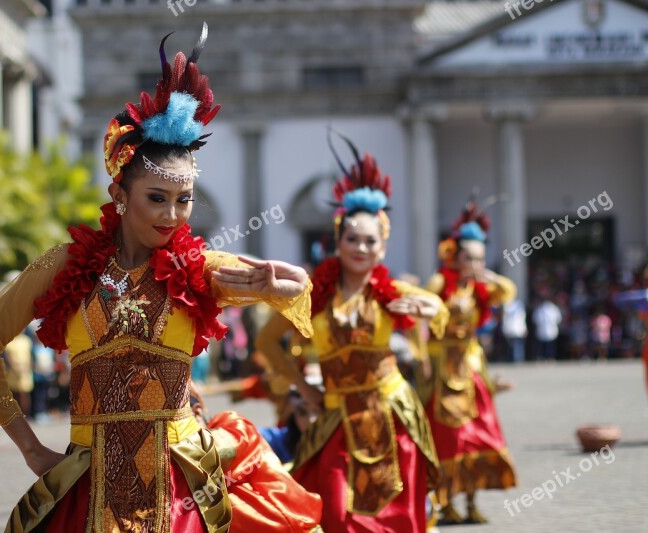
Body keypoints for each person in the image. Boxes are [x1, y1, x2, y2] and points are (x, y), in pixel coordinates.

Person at [0, 25, 314, 532]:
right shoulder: (62, 265)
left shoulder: (197, 268)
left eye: (184, 199)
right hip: (86, 485)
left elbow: (294, 282)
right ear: (119, 193)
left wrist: (278, 284)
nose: (172, 215)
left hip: (182, 490)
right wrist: (33, 450)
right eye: (157, 198)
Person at [257, 131, 448, 532]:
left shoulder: (391, 292)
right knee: (334, 510)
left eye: (370, 241)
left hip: (391, 413)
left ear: (382, 247)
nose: (361, 248)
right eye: (353, 239)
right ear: (338, 241)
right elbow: (266, 342)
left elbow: (439, 310)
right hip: (335, 416)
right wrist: (302, 388)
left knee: (396, 511)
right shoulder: (311, 294)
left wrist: (431, 307)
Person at [419, 201, 517, 524]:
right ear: (453, 257)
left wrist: (485, 274)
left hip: (471, 367)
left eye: (479, 257)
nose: (474, 262)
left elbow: (508, 291)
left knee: (478, 434)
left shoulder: (478, 288)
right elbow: (420, 319)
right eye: (469, 257)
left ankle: (472, 500)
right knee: (448, 440)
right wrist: (423, 360)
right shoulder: (439, 284)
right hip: (442, 370)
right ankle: (445, 503)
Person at [188, 384, 323, 532]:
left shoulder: (233, 424)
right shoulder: (170, 466)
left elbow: (213, 450)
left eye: (170, 424)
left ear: (197, 412)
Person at [533, 296, 562, 361]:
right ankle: (546, 357)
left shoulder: (541, 308)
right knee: (546, 345)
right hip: (546, 330)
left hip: (547, 330)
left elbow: (535, 319)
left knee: (547, 345)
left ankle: (546, 357)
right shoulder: (553, 308)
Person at [501, 299, 527, 363]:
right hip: (512, 329)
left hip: (516, 329)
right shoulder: (508, 306)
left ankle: (517, 359)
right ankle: (515, 359)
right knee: (513, 345)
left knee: (517, 345)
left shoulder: (512, 307)